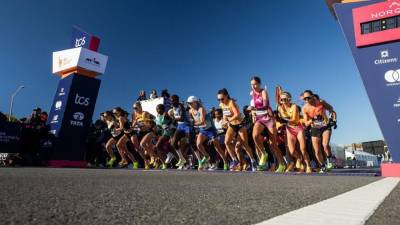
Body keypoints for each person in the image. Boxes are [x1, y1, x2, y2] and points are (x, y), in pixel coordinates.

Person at [249, 77, 286, 172]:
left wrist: (254, 109)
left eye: (255, 84)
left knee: (273, 144)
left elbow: (265, 105)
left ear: (259, 84)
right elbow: (253, 106)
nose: (253, 86)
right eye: (251, 84)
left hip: (268, 119)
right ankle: (263, 153)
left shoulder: (263, 92)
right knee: (255, 136)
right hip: (259, 119)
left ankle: (282, 164)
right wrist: (253, 113)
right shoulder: (252, 93)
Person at [217, 88, 257, 171]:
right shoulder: (221, 104)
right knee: (226, 142)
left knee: (244, 145)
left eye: (222, 98)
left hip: (240, 125)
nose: (220, 101)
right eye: (219, 99)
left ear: (226, 96)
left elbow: (237, 114)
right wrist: (224, 121)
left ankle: (253, 161)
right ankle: (234, 160)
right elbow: (225, 115)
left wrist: (228, 121)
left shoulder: (231, 102)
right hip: (232, 125)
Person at [187, 96, 229, 171]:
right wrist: (191, 122)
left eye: (190, 103)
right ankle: (206, 156)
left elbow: (202, 121)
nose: (189, 104)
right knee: (198, 144)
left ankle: (225, 162)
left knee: (217, 148)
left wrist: (193, 124)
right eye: (188, 103)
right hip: (203, 130)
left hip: (211, 129)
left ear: (195, 103)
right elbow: (192, 120)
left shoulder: (201, 109)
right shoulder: (190, 111)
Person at [301, 90, 337, 172]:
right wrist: (313, 119)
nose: (306, 100)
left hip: (325, 126)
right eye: (304, 99)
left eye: (308, 98)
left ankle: (330, 158)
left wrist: (333, 120)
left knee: (325, 145)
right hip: (315, 128)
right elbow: (306, 123)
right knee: (317, 151)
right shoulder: (305, 108)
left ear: (312, 96)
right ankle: (323, 166)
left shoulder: (321, 102)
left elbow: (331, 109)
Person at [277, 91, 312, 173]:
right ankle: (299, 158)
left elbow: (295, 119)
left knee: (303, 149)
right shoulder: (279, 108)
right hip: (289, 130)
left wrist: (285, 121)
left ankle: (308, 166)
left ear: (289, 99)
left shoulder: (294, 106)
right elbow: (279, 120)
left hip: (298, 128)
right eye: (281, 100)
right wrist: (279, 122)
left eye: (285, 99)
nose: (283, 101)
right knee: (292, 151)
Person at [169, 94, 194, 169]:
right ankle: (182, 159)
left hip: (186, 126)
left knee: (189, 143)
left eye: (173, 101)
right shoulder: (172, 108)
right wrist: (172, 120)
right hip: (180, 127)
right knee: (173, 144)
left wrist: (173, 119)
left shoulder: (181, 106)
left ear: (177, 100)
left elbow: (182, 118)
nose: (172, 102)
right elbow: (175, 119)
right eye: (171, 101)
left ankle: (192, 158)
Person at [130, 102, 156, 169]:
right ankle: (148, 162)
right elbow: (133, 126)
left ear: (140, 107)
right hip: (141, 133)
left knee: (143, 144)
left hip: (148, 131)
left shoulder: (145, 113)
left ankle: (152, 157)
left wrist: (143, 124)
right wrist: (130, 128)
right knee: (141, 148)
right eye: (133, 108)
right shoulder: (136, 115)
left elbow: (149, 123)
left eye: (136, 108)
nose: (134, 109)